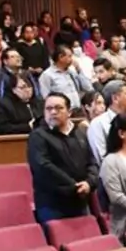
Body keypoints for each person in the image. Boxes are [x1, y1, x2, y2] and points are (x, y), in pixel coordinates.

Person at [28, 93, 96, 222]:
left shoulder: (80, 133)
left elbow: (92, 162)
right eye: (49, 108)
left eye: (59, 108)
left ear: (69, 112)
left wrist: (89, 182)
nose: (53, 112)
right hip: (52, 205)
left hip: (81, 202)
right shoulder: (38, 136)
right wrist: (75, 186)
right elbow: (43, 167)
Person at [0, 72, 42, 136]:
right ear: (13, 89)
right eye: (23, 87)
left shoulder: (39, 103)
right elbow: (2, 128)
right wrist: (28, 127)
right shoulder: (1, 104)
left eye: (29, 86)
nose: (27, 90)